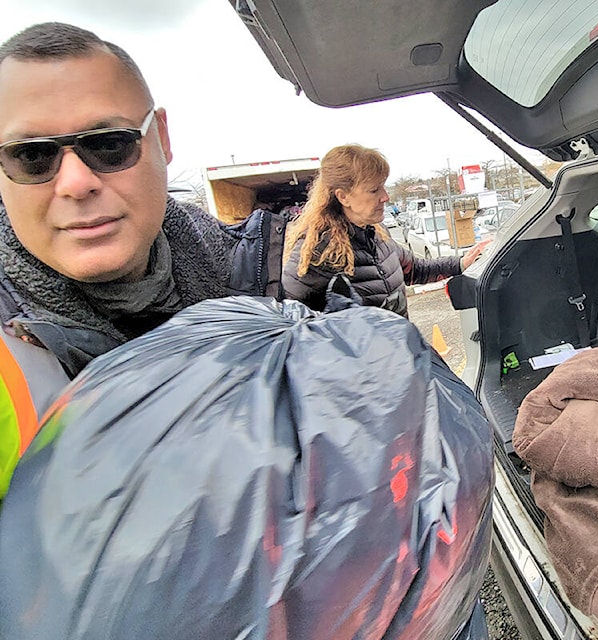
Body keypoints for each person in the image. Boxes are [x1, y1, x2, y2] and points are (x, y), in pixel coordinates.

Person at [0, 22, 285, 495]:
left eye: (109, 143)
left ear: (162, 140)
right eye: (31, 157)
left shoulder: (258, 281)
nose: (74, 183)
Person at [283, 144, 489, 317]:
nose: (385, 197)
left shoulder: (377, 233)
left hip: (398, 355)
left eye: (383, 186)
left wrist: (461, 263)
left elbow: (414, 269)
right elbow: (292, 322)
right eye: (374, 190)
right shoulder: (317, 251)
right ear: (343, 196)